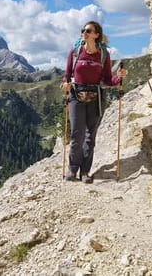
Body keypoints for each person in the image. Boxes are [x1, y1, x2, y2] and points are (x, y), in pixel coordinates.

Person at [61, 21, 126, 183]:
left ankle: (85, 172)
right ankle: (72, 169)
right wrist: (65, 84)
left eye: (88, 30)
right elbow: (67, 74)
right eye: (83, 30)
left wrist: (118, 78)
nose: (84, 32)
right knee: (77, 134)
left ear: (96, 35)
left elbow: (107, 79)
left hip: (96, 97)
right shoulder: (75, 52)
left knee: (90, 136)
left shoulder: (103, 55)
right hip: (76, 95)